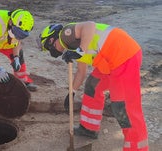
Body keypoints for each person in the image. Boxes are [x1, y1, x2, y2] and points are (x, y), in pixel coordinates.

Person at [39, 21, 149, 151]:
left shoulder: (66, 35)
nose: (51, 51)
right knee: (93, 86)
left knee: (123, 106)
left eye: (49, 47)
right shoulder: (71, 45)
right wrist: (71, 92)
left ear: (52, 40)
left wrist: (80, 50)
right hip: (109, 62)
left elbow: (89, 25)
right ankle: (89, 128)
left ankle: (137, 148)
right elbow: (81, 72)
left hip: (124, 56)